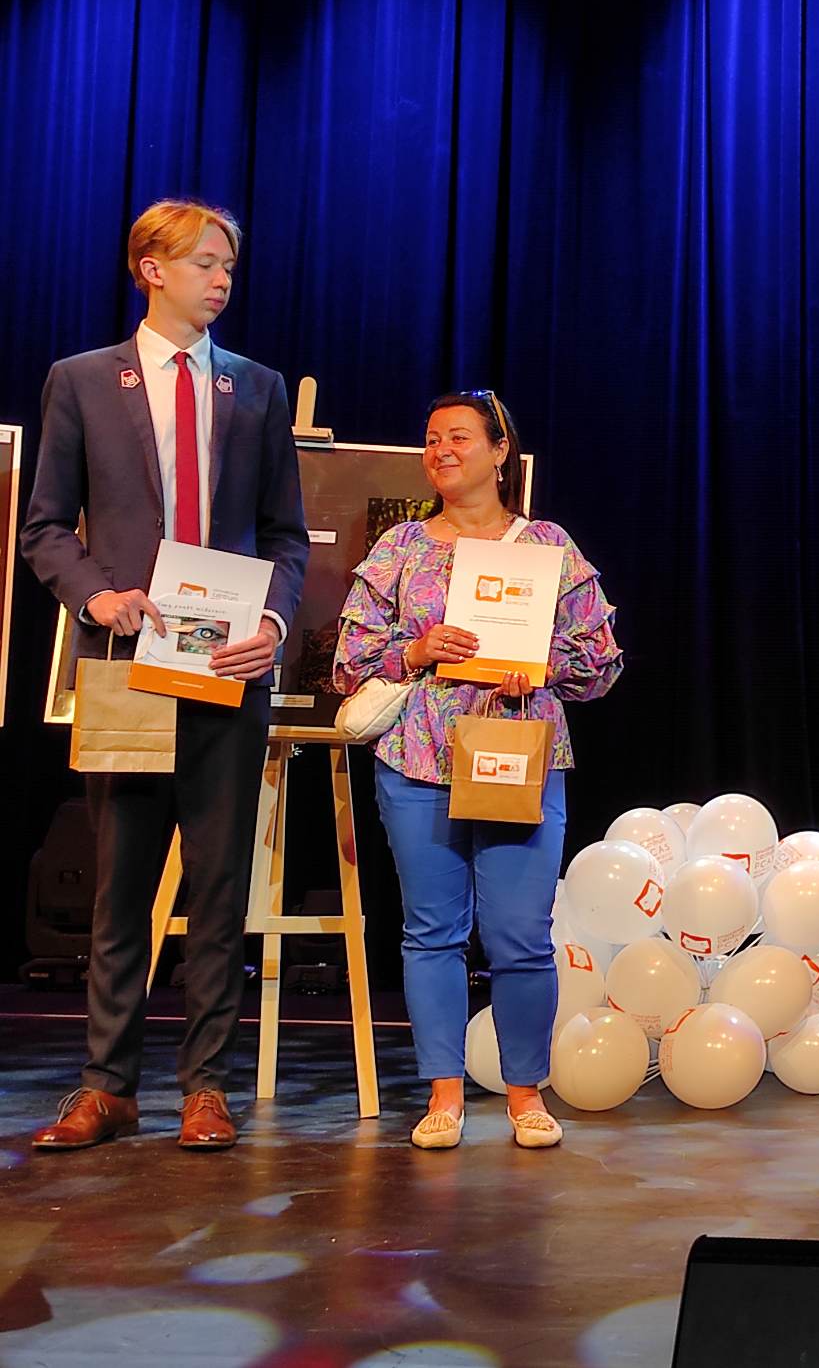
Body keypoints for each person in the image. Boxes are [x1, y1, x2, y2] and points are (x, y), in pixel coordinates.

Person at [23, 201, 309, 1152]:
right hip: (127, 664)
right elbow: (45, 527)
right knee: (121, 884)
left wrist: (272, 622)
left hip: (226, 666)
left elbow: (285, 536)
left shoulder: (256, 388)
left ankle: (205, 1087)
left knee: (219, 887)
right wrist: (96, 596)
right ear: (151, 267)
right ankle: (106, 1086)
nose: (222, 280)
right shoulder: (81, 380)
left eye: (229, 265)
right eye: (204, 263)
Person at [335, 392, 622, 1150]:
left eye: (459, 437)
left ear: (500, 452)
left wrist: (539, 666)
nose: (441, 450)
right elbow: (349, 661)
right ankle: (444, 1094)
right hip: (418, 760)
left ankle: (526, 1093)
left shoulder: (546, 545)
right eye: (431, 439)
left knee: (520, 934)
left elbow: (600, 663)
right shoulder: (399, 546)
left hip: (515, 756)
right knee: (431, 932)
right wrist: (415, 651)